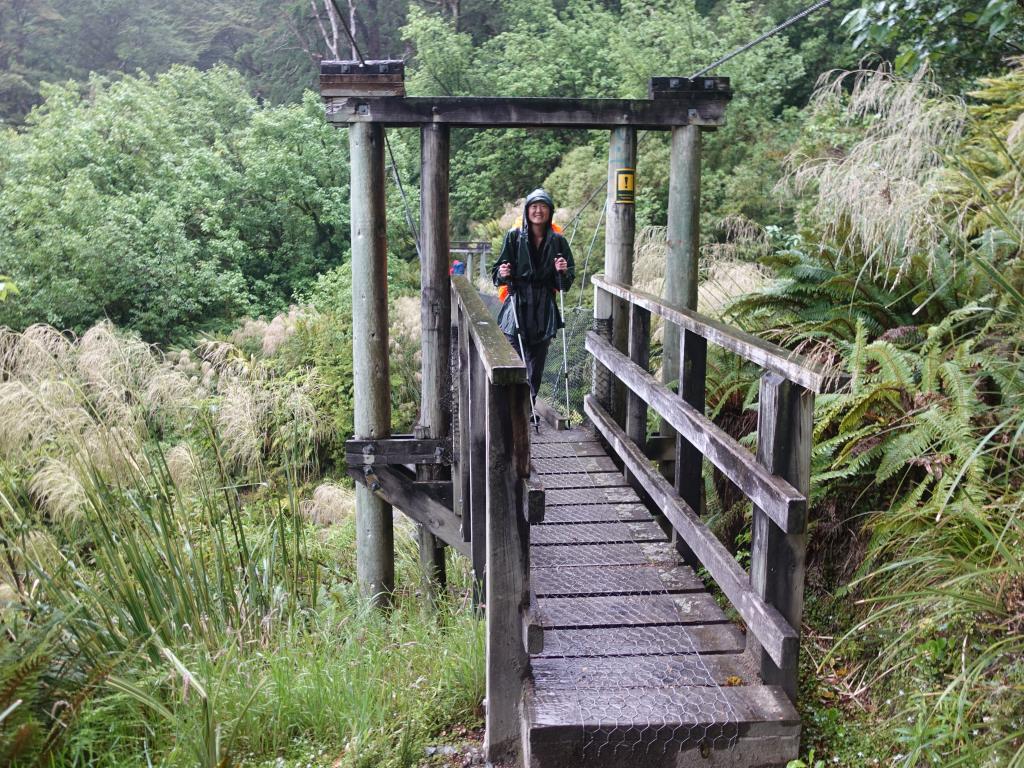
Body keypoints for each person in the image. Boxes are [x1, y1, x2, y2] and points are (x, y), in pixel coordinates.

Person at [491, 188, 575, 399]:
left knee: (536, 364)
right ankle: (516, 405)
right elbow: (497, 274)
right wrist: (503, 273)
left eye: (543, 206)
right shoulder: (514, 237)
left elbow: (565, 284)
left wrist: (562, 271)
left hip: (543, 308)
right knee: (516, 360)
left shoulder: (558, 241)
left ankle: (530, 404)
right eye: (534, 206)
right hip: (517, 305)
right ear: (528, 211)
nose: (538, 211)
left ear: (550, 211)